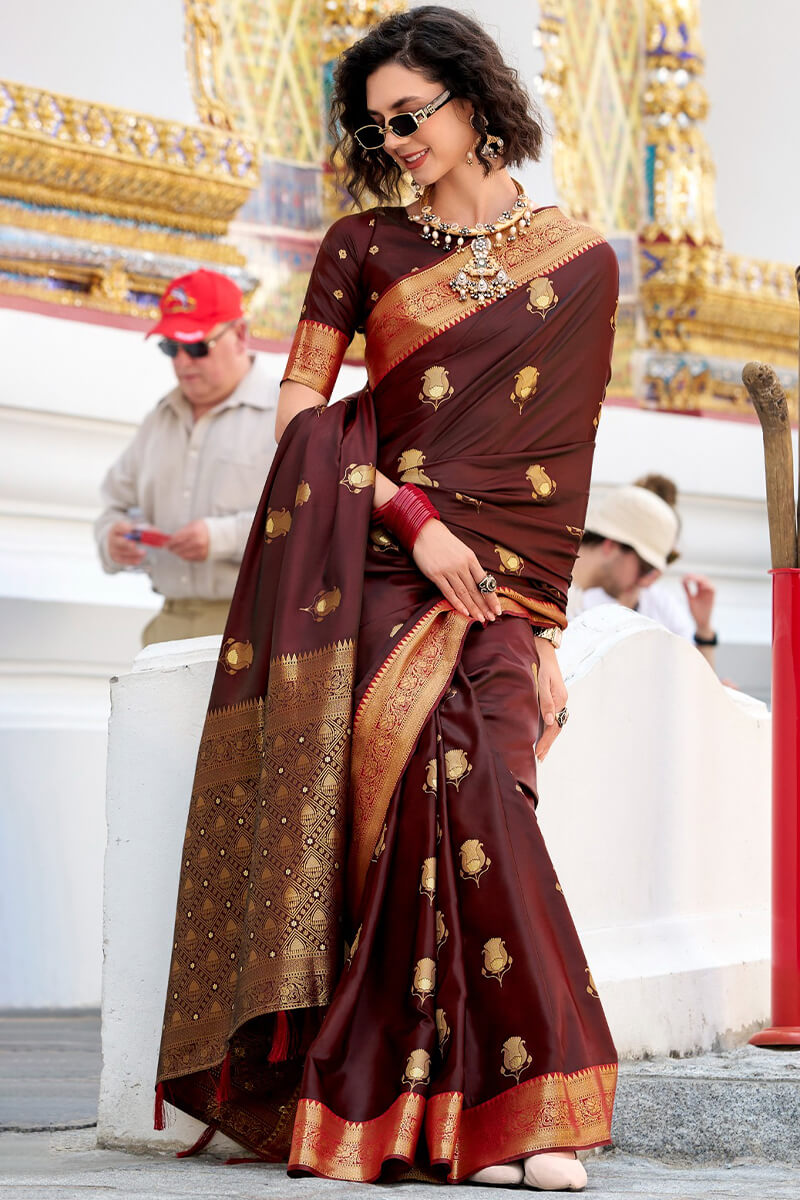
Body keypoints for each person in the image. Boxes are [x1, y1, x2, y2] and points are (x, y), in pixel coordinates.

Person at [155, 8, 618, 1191]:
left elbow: (558, 466)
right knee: (409, 806)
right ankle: (473, 1118)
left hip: (499, 593)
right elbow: (301, 418)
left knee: (489, 796)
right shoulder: (361, 247)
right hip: (370, 565)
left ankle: (523, 1106)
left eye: (410, 115)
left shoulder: (578, 260)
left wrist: (542, 627)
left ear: (472, 99)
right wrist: (414, 520)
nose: (396, 138)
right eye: (376, 125)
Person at [94, 269, 278, 646]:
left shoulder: (284, 416)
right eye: (169, 347)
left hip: (253, 629)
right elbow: (113, 506)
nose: (181, 361)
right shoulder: (159, 419)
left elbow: (312, 520)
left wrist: (222, 537)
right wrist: (110, 542)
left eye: (196, 347)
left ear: (240, 335)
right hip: (169, 624)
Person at [571, 479, 718, 668]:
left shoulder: (568, 589)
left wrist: (704, 627)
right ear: (611, 546)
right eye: (646, 567)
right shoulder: (549, 588)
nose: (647, 581)